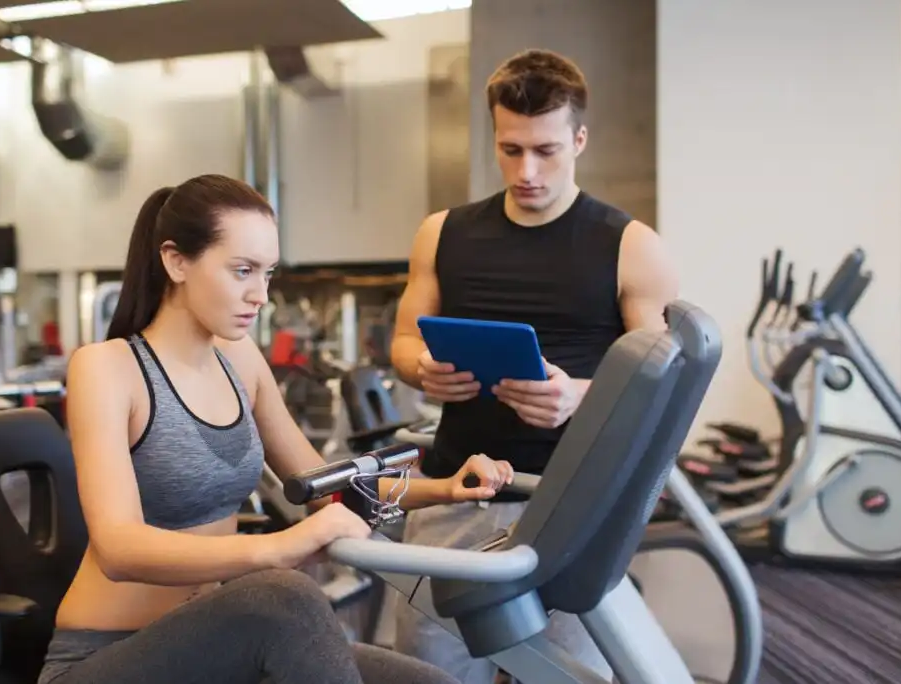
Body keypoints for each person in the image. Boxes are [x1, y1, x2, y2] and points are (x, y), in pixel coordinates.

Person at [39, 174, 517, 684]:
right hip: (108, 659)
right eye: (242, 270)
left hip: (218, 648)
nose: (261, 295)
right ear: (176, 261)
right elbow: (118, 548)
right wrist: (279, 548)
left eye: (267, 274)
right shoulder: (107, 368)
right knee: (282, 595)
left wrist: (446, 489)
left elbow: (326, 485)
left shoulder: (239, 360)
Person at [389, 49, 680, 683]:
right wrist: (422, 369)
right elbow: (406, 341)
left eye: (546, 150)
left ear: (579, 138)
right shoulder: (441, 233)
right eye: (510, 148)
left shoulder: (629, 245)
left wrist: (580, 394)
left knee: (568, 673)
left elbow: (660, 383)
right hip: (456, 489)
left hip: (571, 503)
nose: (526, 170)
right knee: (425, 671)